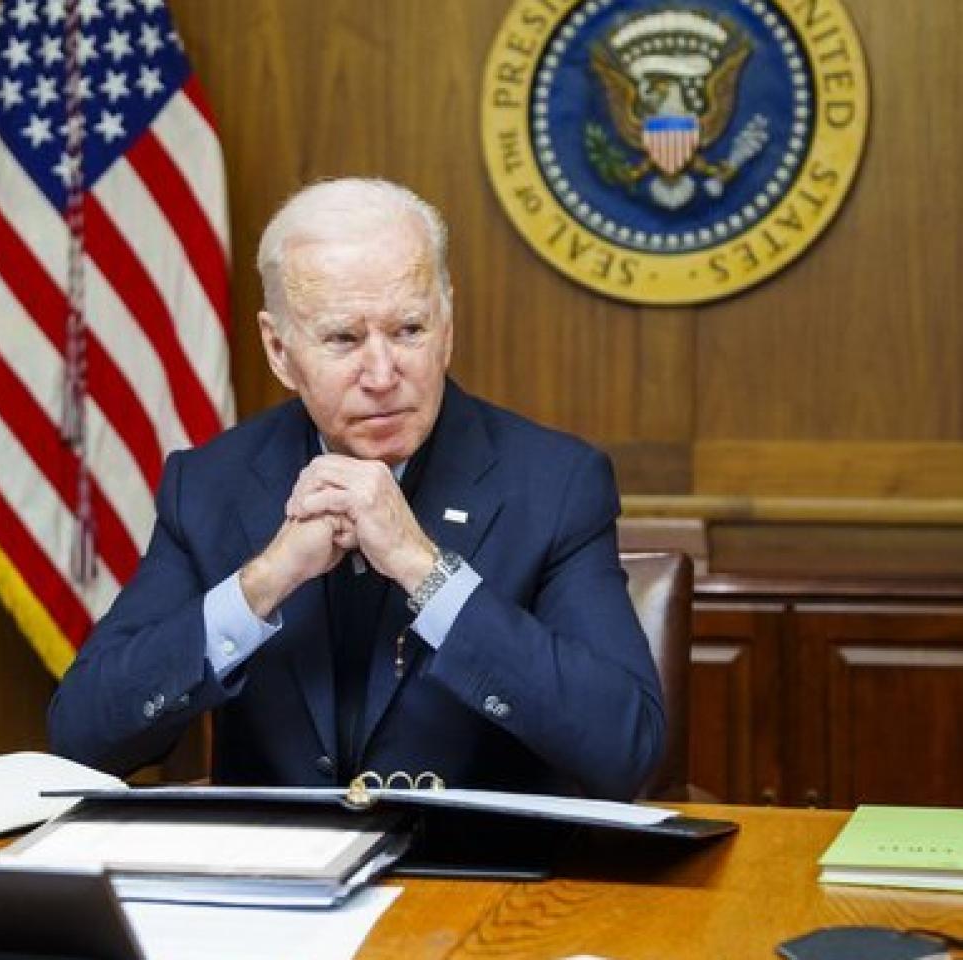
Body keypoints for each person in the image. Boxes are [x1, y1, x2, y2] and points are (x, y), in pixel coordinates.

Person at [48, 178, 664, 800]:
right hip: (279, 882)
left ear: (446, 327)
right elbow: (82, 738)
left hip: (482, 881)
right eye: (343, 338)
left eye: (409, 331)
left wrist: (426, 572)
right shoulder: (210, 485)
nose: (381, 374)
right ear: (279, 350)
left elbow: (625, 748)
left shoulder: (554, 484)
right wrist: (263, 581)